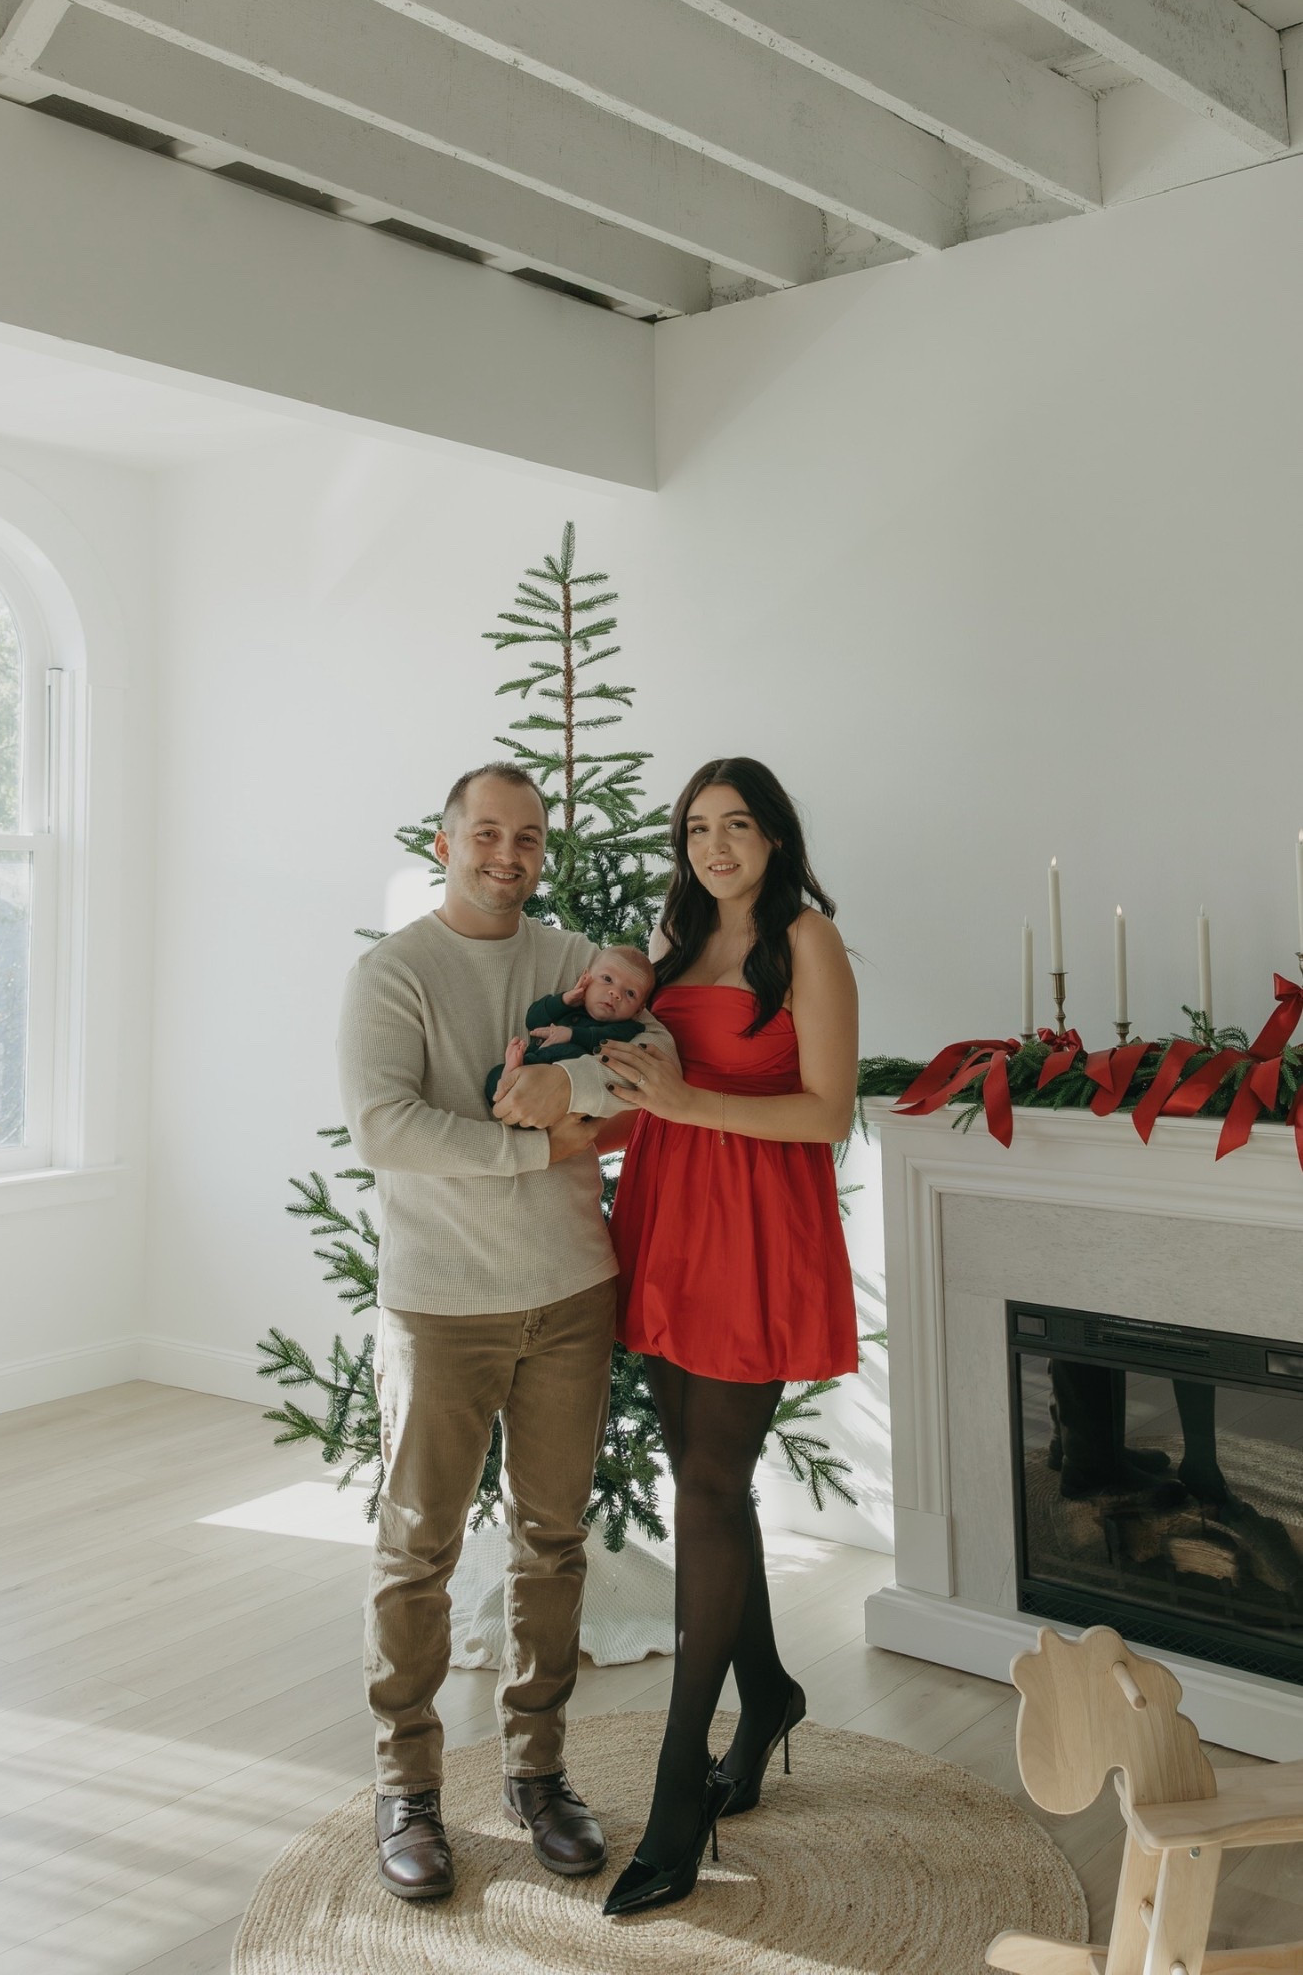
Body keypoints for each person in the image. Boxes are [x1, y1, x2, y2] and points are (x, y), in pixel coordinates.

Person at [336, 761, 677, 1903]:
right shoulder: (393, 973)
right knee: (417, 1546)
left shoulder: (573, 960)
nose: (509, 853)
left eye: (528, 836)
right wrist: (545, 1143)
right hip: (439, 1304)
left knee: (554, 1539)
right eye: (487, 833)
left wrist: (570, 1084)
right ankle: (409, 1787)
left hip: (572, 1292)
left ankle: (538, 1772)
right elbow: (388, 1125)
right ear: (446, 843)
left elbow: (660, 1061)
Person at [595, 755, 859, 1918]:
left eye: (736, 824)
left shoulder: (805, 941)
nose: (714, 844)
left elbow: (829, 1107)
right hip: (664, 1217)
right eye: (697, 827)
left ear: (775, 837)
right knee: (706, 1481)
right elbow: (622, 1074)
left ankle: (674, 1792)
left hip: (753, 1230)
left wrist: (685, 1099)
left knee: (712, 1479)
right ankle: (767, 1695)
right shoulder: (669, 945)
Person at [484, 943, 656, 1108]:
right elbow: (532, 1020)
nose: (616, 993)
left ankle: (517, 1080)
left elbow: (608, 1041)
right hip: (530, 1065)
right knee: (493, 1075)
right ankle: (509, 1076)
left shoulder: (629, 1027)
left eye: (630, 993)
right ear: (586, 978)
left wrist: (571, 1034)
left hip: (566, 1085)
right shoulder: (567, 1007)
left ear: (639, 1010)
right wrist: (564, 1000)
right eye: (607, 979)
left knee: (574, 1054)